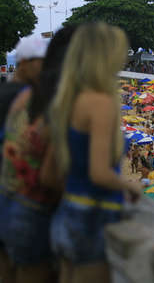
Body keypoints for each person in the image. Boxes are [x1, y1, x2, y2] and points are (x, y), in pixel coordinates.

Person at [48, 23, 141, 283]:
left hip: (68, 211)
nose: (124, 58)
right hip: (94, 215)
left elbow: (52, 172)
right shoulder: (101, 103)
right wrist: (131, 187)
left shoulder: (68, 100)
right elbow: (99, 173)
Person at [0, 31, 70, 283]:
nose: (45, 67)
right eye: (40, 61)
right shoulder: (25, 98)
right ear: (24, 63)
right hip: (25, 199)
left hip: (10, 195)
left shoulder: (17, 95)